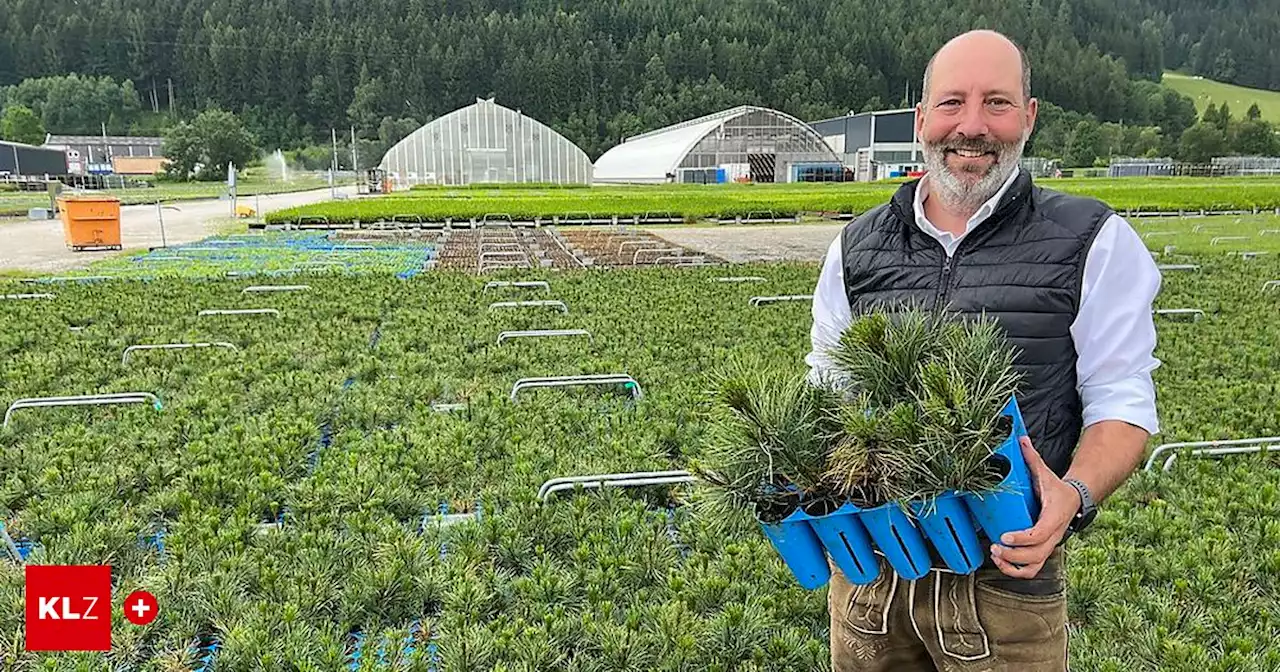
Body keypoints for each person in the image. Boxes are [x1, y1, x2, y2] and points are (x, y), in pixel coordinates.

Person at [805, 30, 1162, 671]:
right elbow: (830, 388)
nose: (972, 127)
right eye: (952, 103)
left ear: (1028, 117)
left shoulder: (1092, 241)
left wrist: (1073, 493)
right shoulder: (855, 249)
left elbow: (1122, 398)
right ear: (921, 120)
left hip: (1006, 585)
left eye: (996, 103)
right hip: (870, 580)